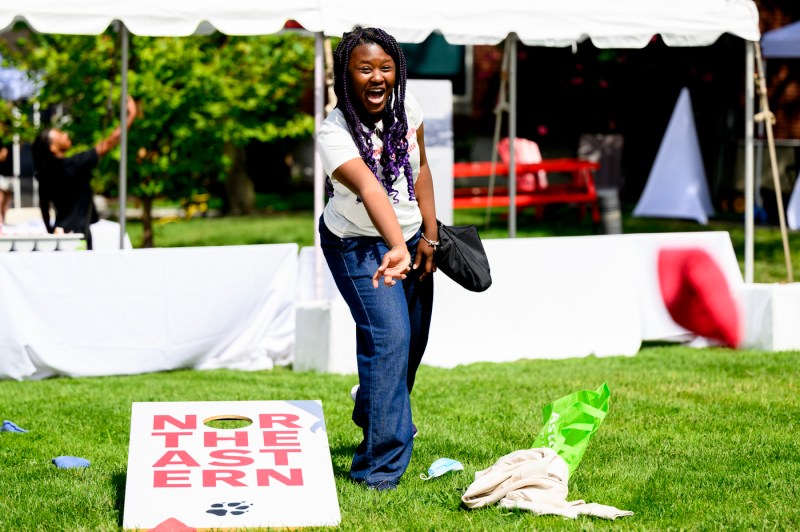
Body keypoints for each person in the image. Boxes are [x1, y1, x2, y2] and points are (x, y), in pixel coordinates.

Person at [317, 27, 439, 491]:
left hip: (409, 239)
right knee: (389, 339)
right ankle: (378, 470)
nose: (377, 77)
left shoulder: (409, 111)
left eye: (385, 67)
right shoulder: (335, 132)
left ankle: (371, 404)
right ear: (344, 75)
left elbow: (421, 168)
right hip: (357, 245)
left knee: (411, 344)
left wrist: (428, 235)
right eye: (364, 68)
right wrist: (395, 247)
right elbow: (369, 187)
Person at [32, 95, 137, 248]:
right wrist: (131, 115)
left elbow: (44, 206)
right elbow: (110, 141)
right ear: (53, 148)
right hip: (80, 233)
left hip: (60, 231)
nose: (66, 134)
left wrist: (49, 229)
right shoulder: (75, 164)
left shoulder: (44, 174)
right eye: (60, 135)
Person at [0, 146, 11, 228]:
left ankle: (3, 220)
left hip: (10, 175)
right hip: (2, 175)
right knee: (1, 199)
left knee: (6, 200)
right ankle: (1, 220)